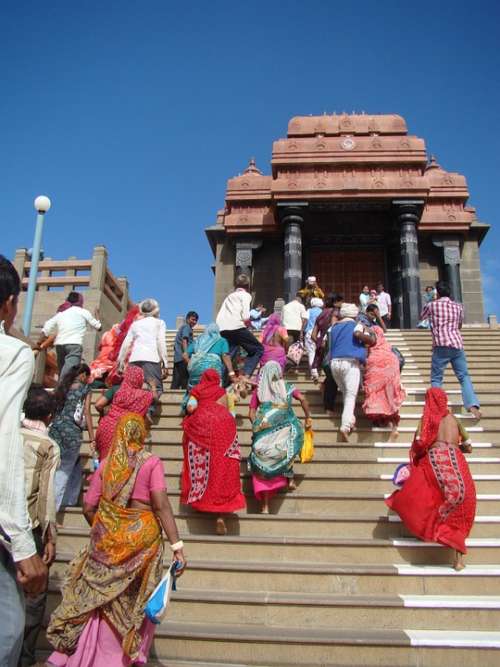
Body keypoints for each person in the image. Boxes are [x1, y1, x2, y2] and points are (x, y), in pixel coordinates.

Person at [46, 413, 187, 666]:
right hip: (141, 547)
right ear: (141, 434)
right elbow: (161, 504)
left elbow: (89, 507)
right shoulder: (151, 462)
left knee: (94, 600)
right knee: (131, 601)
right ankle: (118, 657)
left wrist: (108, 530)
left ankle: (78, 656)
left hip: (106, 548)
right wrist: (177, 546)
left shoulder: (108, 464)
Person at [0, 256, 47, 667]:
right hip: (6, 520)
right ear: (10, 303)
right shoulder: (13, 354)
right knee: (7, 631)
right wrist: (21, 539)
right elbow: (3, 438)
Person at [386, 387, 476, 571]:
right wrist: (457, 447)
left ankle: (425, 530)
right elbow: (468, 446)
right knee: (461, 505)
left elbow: (419, 443)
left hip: (435, 460)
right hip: (455, 459)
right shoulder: (454, 419)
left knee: (422, 493)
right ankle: (458, 559)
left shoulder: (427, 419)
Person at [19, 385, 60, 667]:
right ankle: (24, 656)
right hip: (27, 525)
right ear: (48, 415)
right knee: (35, 592)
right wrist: (50, 536)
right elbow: (45, 495)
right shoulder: (48, 445)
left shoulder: (8, 433)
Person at [181, 369, 246, 535]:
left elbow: (190, 407)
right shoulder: (221, 391)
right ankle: (220, 516)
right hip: (223, 427)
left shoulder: (198, 390)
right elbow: (230, 412)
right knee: (221, 469)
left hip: (202, 427)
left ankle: (200, 502)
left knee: (202, 465)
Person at [248, 361, 311, 514]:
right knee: (288, 451)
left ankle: (265, 506)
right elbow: (302, 399)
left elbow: (250, 412)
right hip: (285, 429)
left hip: (263, 435)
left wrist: (258, 427)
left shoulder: (259, 391)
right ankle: (290, 479)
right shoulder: (288, 388)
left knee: (262, 468)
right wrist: (308, 417)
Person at [420, 280, 481, 419]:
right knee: (464, 376)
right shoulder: (458, 307)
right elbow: (459, 325)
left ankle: (437, 407)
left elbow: (421, 317)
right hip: (457, 344)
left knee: (436, 379)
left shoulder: (431, 305)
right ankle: (472, 405)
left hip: (441, 345)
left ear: (437, 292)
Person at [50, 364, 94, 510]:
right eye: (87, 377)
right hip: (72, 434)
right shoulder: (85, 389)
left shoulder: (62, 387)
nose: (87, 380)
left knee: (74, 465)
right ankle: (53, 511)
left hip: (56, 430)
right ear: (83, 375)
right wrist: (92, 437)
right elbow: (87, 412)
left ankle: (70, 500)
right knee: (63, 471)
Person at [329, 303, 375, 441]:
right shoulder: (358, 325)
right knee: (350, 395)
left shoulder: (333, 327)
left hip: (334, 362)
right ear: (354, 314)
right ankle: (345, 426)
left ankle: (351, 419)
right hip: (350, 362)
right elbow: (368, 340)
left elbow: (327, 343)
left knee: (346, 393)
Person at [118, 298, 168, 418]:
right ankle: (148, 410)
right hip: (152, 358)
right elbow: (161, 342)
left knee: (133, 387)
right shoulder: (159, 323)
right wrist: (165, 362)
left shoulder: (136, 324)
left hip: (134, 359)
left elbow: (126, 343)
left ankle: (133, 411)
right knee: (157, 387)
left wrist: (120, 362)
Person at [362, 307, 406, 440]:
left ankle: (379, 420)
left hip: (376, 363)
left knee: (375, 393)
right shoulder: (385, 343)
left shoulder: (371, 339)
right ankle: (393, 425)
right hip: (391, 363)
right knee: (390, 394)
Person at [94, 365, 155, 461]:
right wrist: (153, 386)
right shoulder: (144, 396)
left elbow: (98, 404)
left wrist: (106, 413)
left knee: (104, 463)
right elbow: (154, 396)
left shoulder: (117, 389)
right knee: (121, 467)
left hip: (106, 427)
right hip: (126, 433)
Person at [36, 292, 102, 379]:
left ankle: (60, 389)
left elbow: (47, 325)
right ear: (80, 301)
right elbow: (99, 327)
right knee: (68, 373)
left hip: (59, 345)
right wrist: (97, 315)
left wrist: (39, 341)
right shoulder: (83, 312)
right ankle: (62, 388)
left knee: (62, 371)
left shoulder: (62, 313)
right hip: (74, 345)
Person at [216, 274, 263, 381]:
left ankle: (219, 382)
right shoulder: (245, 295)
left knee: (228, 355)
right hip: (236, 327)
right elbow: (246, 316)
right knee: (258, 349)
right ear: (248, 285)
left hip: (223, 329)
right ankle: (245, 376)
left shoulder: (229, 296)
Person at [311, 294, 343, 409]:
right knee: (332, 378)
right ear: (335, 303)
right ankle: (329, 405)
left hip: (324, 352)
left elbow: (313, 335)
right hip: (335, 349)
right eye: (340, 302)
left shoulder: (321, 314)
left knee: (331, 376)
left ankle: (325, 390)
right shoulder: (336, 313)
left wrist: (321, 343)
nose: (341, 304)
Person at [185, 322, 237, 391]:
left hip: (196, 370)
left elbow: (184, 355)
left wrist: (192, 364)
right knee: (214, 391)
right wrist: (231, 373)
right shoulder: (221, 340)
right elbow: (225, 355)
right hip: (213, 369)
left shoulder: (198, 340)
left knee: (195, 392)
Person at [171, 311, 199, 390]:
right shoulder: (187, 327)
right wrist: (186, 353)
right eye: (192, 319)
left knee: (176, 381)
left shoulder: (183, 327)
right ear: (187, 319)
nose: (194, 322)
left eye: (196, 320)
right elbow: (184, 340)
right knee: (185, 379)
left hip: (178, 358)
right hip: (183, 358)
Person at [304, 297, 324, 381]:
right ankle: (320, 369)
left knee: (311, 353)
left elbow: (305, 321)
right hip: (320, 334)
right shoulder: (323, 312)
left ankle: (314, 372)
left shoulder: (309, 311)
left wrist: (301, 332)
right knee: (319, 352)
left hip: (310, 333)